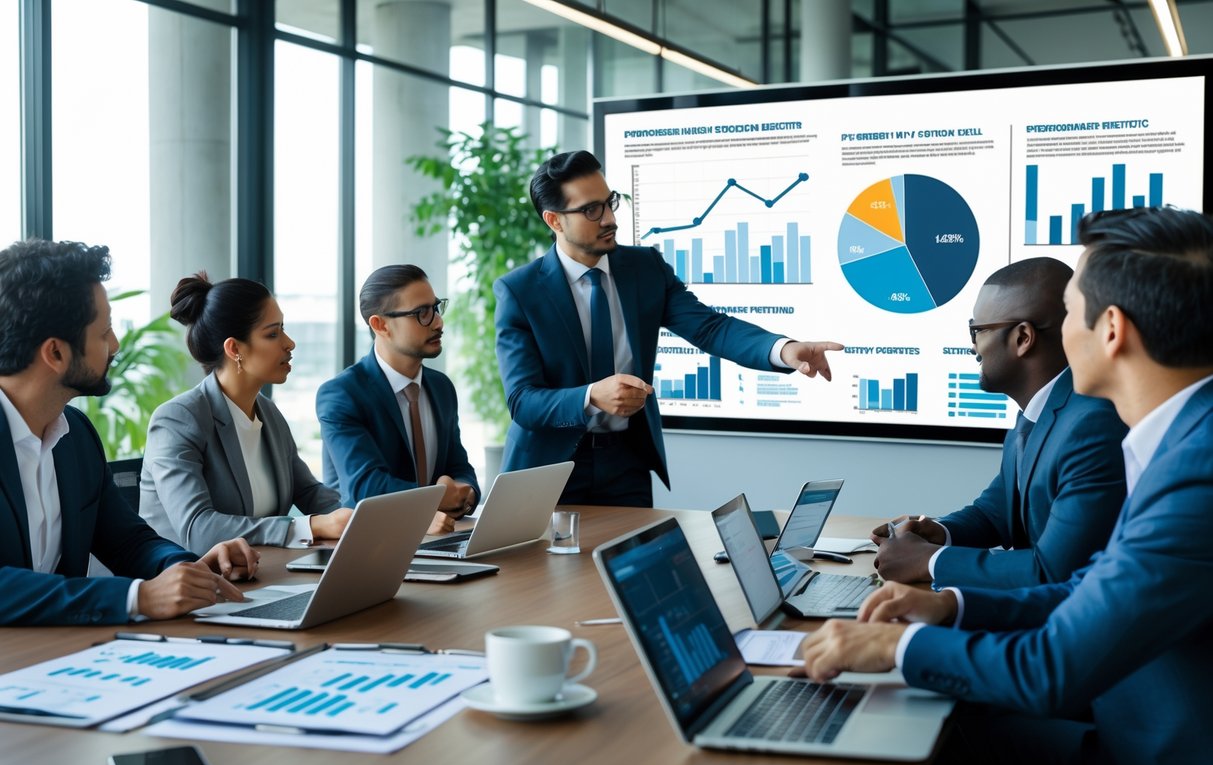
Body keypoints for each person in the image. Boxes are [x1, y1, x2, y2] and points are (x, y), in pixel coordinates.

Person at [795, 207, 1213, 765]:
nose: (1060, 332)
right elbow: (1089, 588)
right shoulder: (1181, 439)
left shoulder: (1196, 471)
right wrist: (951, 606)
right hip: (1132, 733)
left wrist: (897, 645)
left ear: (1112, 330)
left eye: (1070, 311)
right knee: (893, 741)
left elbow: (1052, 667)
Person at [494, 150, 843, 507]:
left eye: (609, 203)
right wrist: (591, 396)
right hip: (549, 469)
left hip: (627, 461)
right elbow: (523, 401)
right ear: (554, 220)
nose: (610, 218)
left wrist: (783, 350)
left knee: (630, 561)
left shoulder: (644, 267)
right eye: (591, 210)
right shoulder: (520, 291)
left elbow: (709, 327)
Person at [0, 240, 259, 626]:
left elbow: (129, 541)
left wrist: (186, 569)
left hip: (58, 658)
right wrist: (137, 596)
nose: (116, 344)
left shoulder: (77, 436)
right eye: (104, 331)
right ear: (55, 353)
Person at [870, 258, 1127, 589]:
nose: (973, 346)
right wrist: (938, 532)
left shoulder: (1092, 425)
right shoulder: (1038, 412)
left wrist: (929, 561)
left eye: (977, 331)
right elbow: (996, 514)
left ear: (1023, 338)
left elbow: (1054, 571)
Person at [140, 273, 350, 552]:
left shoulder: (268, 413)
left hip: (263, 575)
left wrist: (362, 520)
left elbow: (309, 492)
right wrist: (307, 527)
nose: (289, 343)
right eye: (273, 333)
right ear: (234, 348)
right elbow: (198, 529)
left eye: (283, 329)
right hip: (192, 582)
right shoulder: (178, 419)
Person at [316, 264, 479, 535]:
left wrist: (466, 493)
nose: (438, 322)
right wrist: (438, 497)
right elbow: (365, 487)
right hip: (371, 545)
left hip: (439, 538)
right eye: (422, 313)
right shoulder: (342, 394)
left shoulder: (441, 388)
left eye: (436, 308)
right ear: (380, 325)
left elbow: (459, 467)